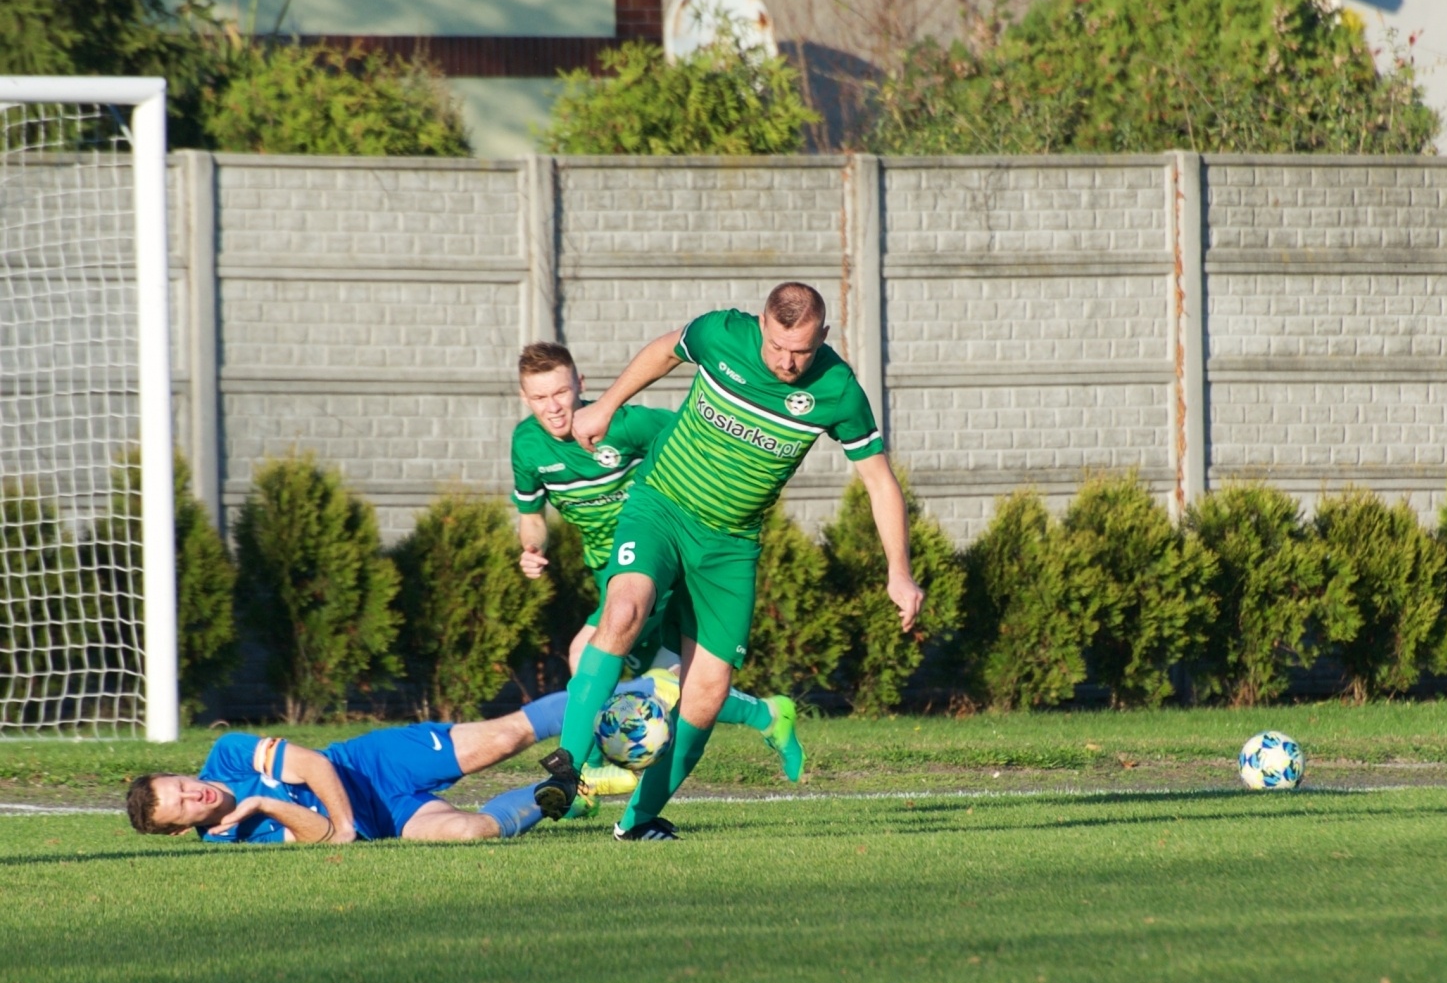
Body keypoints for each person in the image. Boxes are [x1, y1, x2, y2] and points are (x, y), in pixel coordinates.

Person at [552, 282, 925, 841]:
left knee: (707, 691)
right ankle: (565, 766)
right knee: (625, 607)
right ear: (760, 325)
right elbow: (664, 350)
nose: (786, 361)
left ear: (823, 336)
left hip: (729, 547)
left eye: (800, 350)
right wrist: (606, 405)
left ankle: (641, 820)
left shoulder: (838, 390)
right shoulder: (721, 333)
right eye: (777, 346)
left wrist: (899, 569)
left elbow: (878, 479)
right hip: (661, 507)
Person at [510, 341, 805, 783]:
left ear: (580, 385)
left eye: (561, 393)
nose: (553, 407)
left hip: (656, 563)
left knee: (583, 654)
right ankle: (768, 715)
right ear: (524, 398)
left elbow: (696, 443)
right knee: (680, 684)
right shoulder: (527, 445)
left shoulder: (626, 425)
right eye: (539, 397)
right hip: (607, 576)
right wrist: (532, 548)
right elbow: (531, 515)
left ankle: (582, 776)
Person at [122, 674, 680, 844]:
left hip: (375, 763)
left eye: (180, 783)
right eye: (183, 807)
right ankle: (570, 795)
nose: (194, 793)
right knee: (470, 831)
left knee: (504, 739)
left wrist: (342, 824)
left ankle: (641, 685)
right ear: (182, 830)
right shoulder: (227, 839)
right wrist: (264, 802)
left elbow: (315, 765)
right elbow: (314, 835)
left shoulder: (225, 755)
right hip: (384, 820)